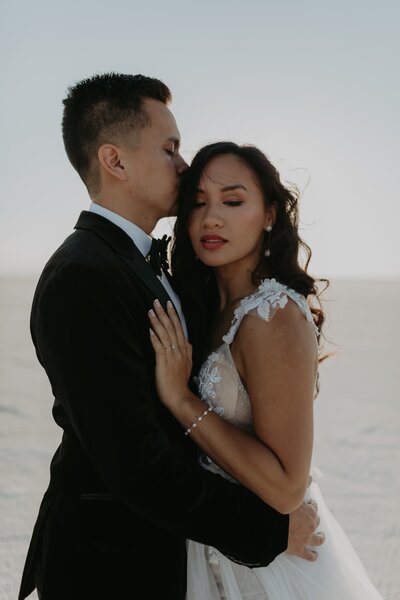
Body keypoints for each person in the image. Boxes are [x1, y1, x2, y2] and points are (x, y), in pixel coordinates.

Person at [18, 75, 323, 600]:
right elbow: (136, 466)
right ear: (115, 162)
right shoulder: (84, 276)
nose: (183, 167)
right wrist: (269, 532)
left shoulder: (149, 268)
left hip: (173, 557)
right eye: (170, 148)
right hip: (110, 566)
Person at [148, 142, 384, 599]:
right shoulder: (207, 307)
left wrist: (182, 401)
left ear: (270, 213)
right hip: (212, 543)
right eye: (198, 203)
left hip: (269, 566)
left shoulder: (271, 316)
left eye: (233, 201)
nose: (211, 219)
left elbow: (286, 489)